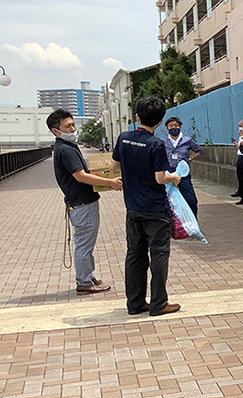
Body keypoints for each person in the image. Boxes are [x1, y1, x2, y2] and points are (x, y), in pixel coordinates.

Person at [111, 96, 182, 317]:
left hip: (132, 207)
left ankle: (134, 303)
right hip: (155, 208)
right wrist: (173, 178)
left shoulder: (123, 138)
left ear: (137, 117)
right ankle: (158, 303)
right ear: (160, 122)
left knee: (135, 254)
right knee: (159, 254)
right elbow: (160, 178)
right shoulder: (156, 144)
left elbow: (113, 168)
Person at [47, 109, 123, 295]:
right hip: (82, 204)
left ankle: (88, 276)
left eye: (73, 124)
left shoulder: (67, 147)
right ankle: (84, 282)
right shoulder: (65, 149)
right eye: (68, 126)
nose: (73, 128)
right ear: (56, 131)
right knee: (84, 244)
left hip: (80, 202)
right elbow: (81, 176)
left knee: (85, 243)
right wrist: (110, 183)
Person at [162, 116, 202, 217]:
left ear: (180, 127)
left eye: (176, 125)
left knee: (191, 200)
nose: (173, 127)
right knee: (168, 200)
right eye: (171, 126)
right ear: (167, 128)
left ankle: (192, 222)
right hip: (168, 174)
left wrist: (189, 159)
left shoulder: (187, 140)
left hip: (183, 174)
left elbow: (198, 151)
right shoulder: (163, 142)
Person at [231, 119, 243, 203]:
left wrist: (242, 137)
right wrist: (235, 143)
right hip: (240, 156)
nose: (239, 128)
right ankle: (242, 195)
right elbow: (239, 147)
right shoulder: (241, 136)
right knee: (240, 177)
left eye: (241, 126)